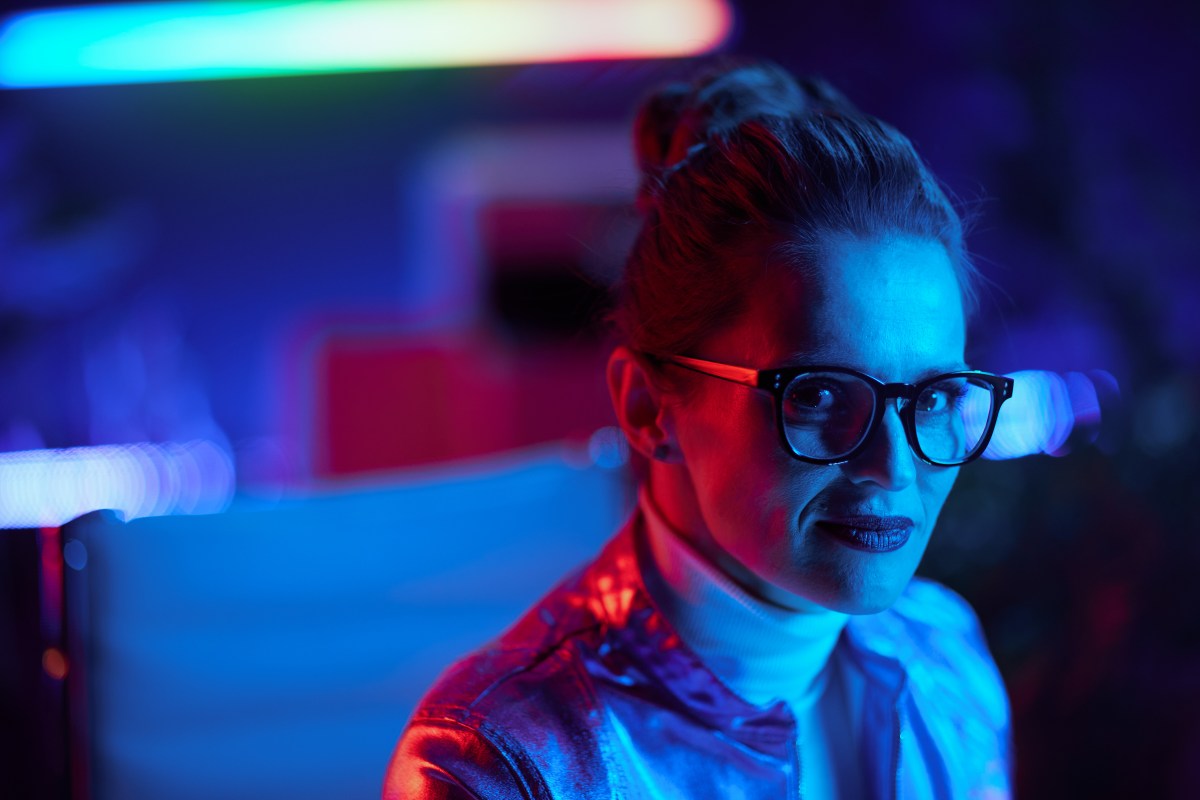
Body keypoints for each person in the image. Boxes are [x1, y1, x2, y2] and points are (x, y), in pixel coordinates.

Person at [385, 60, 1014, 799]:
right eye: (818, 394)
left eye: (935, 396)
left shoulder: (945, 655)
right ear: (648, 408)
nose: (894, 465)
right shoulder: (499, 764)